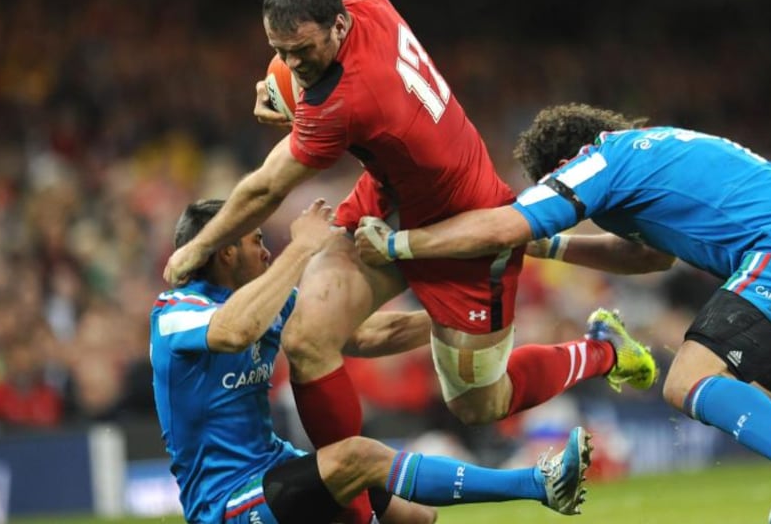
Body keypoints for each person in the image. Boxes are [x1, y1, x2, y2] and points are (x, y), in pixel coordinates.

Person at [162, 0, 652, 524]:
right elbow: (364, 333)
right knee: (308, 340)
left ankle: (604, 351)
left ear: (337, 25)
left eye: (301, 50)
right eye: (280, 51)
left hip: (466, 224)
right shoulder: (366, 0)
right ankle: (360, 515)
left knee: (477, 404)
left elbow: (266, 188)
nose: (293, 63)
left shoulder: (348, 99)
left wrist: (193, 250)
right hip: (391, 197)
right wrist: (284, 79)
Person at [355, 104, 771, 524]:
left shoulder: (601, 160)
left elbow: (505, 225)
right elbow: (649, 257)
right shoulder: (654, 150)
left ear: (561, 168)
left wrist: (400, 245)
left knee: (686, 381)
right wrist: (552, 247)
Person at [151, 198, 592, 524]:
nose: (267, 252)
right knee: (357, 457)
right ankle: (539, 483)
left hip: (273, 467)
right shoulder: (175, 312)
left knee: (417, 517)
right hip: (224, 502)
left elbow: (367, 334)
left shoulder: (270, 302)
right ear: (226, 252)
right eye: (257, 241)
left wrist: (466, 315)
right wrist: (302, 249)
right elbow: (234, 331)